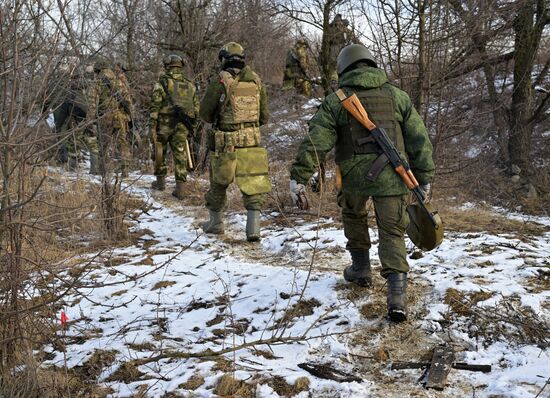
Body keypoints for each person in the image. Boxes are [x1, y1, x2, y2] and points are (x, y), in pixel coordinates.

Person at [289, 44, 435, 322]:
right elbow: (419, 139)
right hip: (394, 175)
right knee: (392, 231)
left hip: (353, 175)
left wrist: (300, 176)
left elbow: (316, 142)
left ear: (343, 68)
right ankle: (397, 297)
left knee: (354, 216)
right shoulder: (397, 96)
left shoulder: (337, 100)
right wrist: (424, 177)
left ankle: (361, 269)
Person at [199, 42, 271, 242]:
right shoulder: (256, 81)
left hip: (226, 143)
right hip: (252, 142)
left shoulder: (221, 82)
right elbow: (264, 116)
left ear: (223, 59)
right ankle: (253, 229)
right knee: (254, 183)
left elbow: (204, 113)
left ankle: (216, 223)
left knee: (218, 184)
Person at [149, 54, 199, 199]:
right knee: (180, 154)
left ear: (167, 66)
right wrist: (192, 127)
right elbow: (196, 109)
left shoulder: (161, 83)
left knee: (159, 151)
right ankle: (180, 189)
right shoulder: (190, 85)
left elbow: (154, 107)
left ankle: (160, 183)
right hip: (183, 125)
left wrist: (152, 126)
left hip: (163, 124)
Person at [89, 59, 133, 176]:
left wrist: (91, 119)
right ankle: (125, 170)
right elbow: (128, 99)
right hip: (121, 117)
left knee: (103, 143)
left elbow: (93, 101)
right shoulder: (119, 79)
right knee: (122, 143)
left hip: (105, 116)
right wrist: (129, 115)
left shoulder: (98, 81)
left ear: (97, 69)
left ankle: (103, 171)